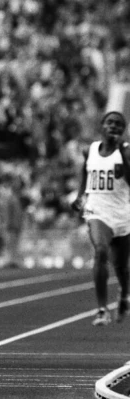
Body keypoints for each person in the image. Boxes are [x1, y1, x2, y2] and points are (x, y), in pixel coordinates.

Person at [71, 111, 130, 326]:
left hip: (121, 214)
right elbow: (85, 175)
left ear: (123, 130)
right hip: (97, 211)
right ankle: (102, 309)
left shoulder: (126, 151)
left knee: (122, 267)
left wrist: (124, 156)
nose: (114, 126)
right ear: (102, 126)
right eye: (110, 122)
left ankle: (124, 295)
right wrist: (80, 197)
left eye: (118, 124)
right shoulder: (90, 150)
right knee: (101, 250)